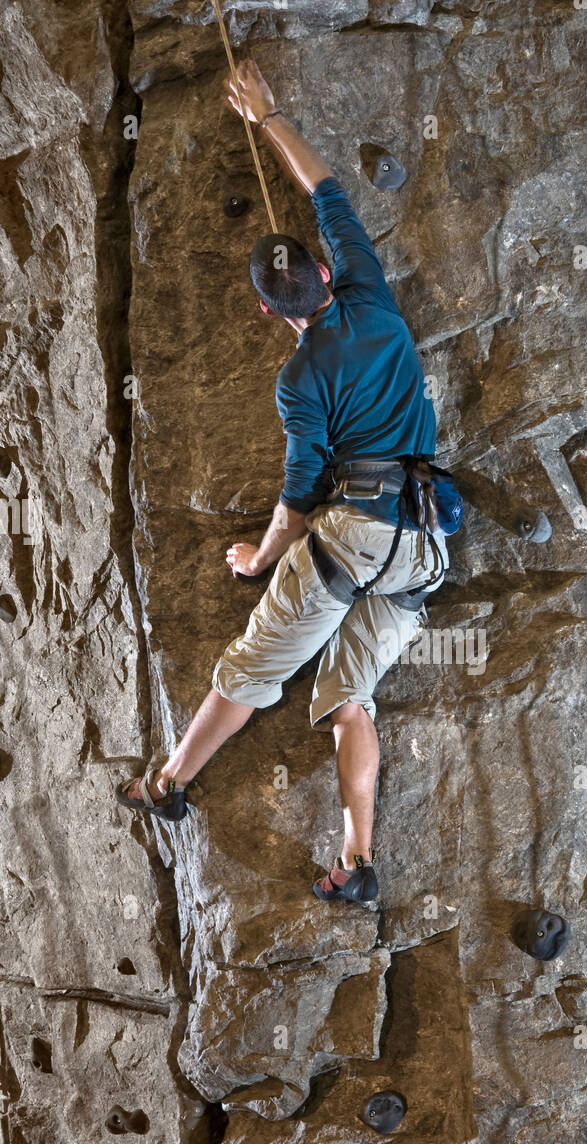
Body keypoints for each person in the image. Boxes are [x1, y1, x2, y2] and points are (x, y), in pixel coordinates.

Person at [116, 59, 448, 905]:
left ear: (270, 311)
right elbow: (326, 188)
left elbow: (300, 499)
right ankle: (358, 858)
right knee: (350, 698)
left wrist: (259, 561)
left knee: (249, 674)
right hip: (425, 543)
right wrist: (266, 115)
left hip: (351, 540)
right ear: (329, 275)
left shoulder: (299, 381)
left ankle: (167, 784)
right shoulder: (371, 296)